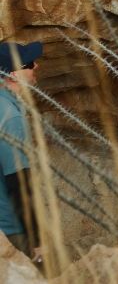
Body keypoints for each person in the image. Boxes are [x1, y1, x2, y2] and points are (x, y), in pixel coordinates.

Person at [0, 41, 43, 264]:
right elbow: (18, 181)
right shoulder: (10, 115)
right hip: (11, 230)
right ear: (14, 74)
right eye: (29, 64)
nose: (36, 66)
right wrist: (36, 242)